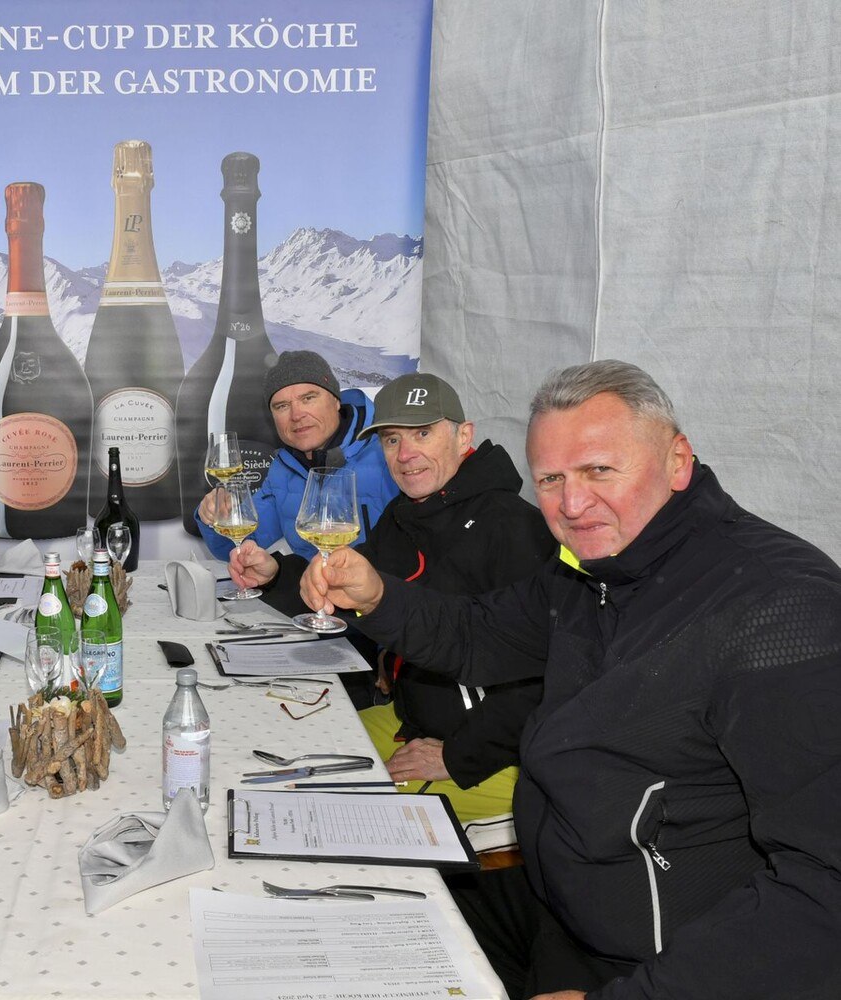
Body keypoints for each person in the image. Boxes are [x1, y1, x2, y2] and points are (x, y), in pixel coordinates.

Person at [300, 361, 841, 1000]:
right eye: (551, 478)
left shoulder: (780, 608)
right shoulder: (594, 569)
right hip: (557, 912)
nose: (572, 503)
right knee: (346, 935)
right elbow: (476, 634)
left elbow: (822, 888)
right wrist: (378, 596)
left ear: (677, 460)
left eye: (599, 470)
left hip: (660, 966)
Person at [230, 372, 554, 824]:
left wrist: (459, 757)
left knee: (331, 813)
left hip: (495, 756)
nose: (405, 454)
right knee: (284, 758)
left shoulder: (515, 528)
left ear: (464, 436)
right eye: (391, 439)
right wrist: (274, 576)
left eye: (423, 433)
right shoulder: (404, 516)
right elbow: (348, 588)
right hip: (412, 724)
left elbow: (544, 679)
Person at [196, 349, 397, 560]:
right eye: (282, 406)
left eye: (308, 398)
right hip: (311, 590)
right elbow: (236, 547)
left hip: (382, 590)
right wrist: (213, 515)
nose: (297, 415)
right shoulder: (282, 469)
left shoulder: (388, 454)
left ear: (336, 401)